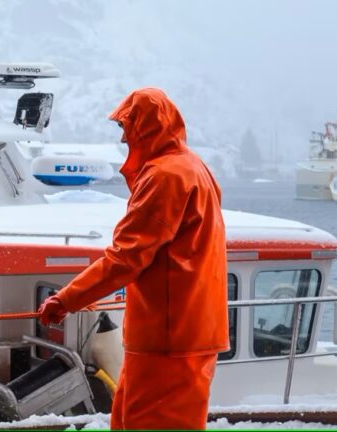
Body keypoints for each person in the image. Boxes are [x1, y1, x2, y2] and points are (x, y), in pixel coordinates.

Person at [38, 87, 229, 430]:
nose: (123, 137)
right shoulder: (196, 168)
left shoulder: (164, 177)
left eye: (127, 126)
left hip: (167, 336)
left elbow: (125, 259)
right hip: (194, 329)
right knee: (134, 420)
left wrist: (65, 300)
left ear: (146, 126)